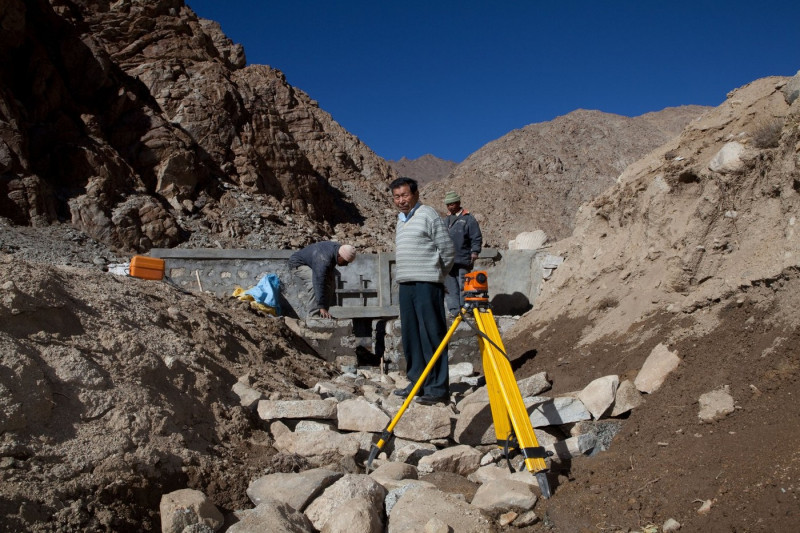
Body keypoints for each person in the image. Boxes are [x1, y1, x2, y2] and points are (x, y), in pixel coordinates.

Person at [390, 177, 455, 404]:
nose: (401, 200)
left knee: (432, 334)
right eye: (397, 197)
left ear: (416, 194)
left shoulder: (428, 214)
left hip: (427, 284)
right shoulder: (401, 221)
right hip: (406, 285)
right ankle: (417, 382)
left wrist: (438, 276)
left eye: (405, 195)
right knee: (411, 335)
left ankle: (437, 388)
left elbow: (447, 250)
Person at [288, 241, 356, 319]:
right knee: (313, 283)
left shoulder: (339, 249)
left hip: (315, 261)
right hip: (298, 263)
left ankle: (323, 314)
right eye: (345, 261)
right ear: (339, 256)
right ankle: (313, 316)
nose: (346, 264)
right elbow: (318, 282)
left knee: (330, 283)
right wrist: (321, 306)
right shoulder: (323, 260)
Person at [442, 191, 483, 316]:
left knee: (464, 285)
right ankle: (455, 311)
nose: (450, 207)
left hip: (463, 258)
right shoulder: (446, 220)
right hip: (448, 260)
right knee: (450, 287)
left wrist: (475, 252)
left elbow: (476, 237)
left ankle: (466, 310)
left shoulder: (468, 219)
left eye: (452, 204)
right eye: (448, 205)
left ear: (458, 203)